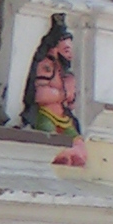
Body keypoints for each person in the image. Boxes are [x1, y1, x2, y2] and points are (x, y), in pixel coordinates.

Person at [21, 16, 87, 166]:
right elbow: (40, 95)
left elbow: (71, 103)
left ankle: (75, 154)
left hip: (63, 116)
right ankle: (60, 155)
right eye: (66, 50)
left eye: (70, 50)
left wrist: (71, 96)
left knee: (77, 140)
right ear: (55, 49)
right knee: (48, 135)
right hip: (47, 114)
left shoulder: (66, 75)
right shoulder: (47, 67)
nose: (70, 55)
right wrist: (63, 94)